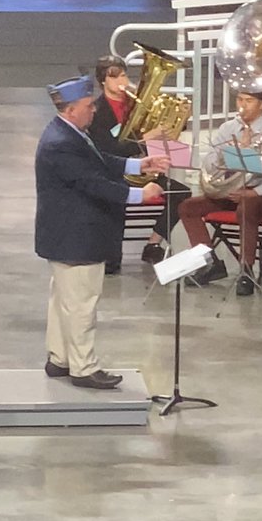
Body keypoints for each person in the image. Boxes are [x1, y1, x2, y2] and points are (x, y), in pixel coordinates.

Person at [36, 74, 169, 389]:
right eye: (87, 106)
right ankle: (83, 368)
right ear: (70, 110)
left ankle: (60, 359)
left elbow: (99, 160)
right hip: (77, 237)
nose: (93, 111)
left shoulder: (68, 133)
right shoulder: (61, 144)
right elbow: (92, 183)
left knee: (63, 300)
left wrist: (139, 165)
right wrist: (140, 195)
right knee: (81, 303)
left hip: (65, 235)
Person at [178, 90, 262, 295]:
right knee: (188, 207)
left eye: (249, 101)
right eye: (240, 99)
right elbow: (210, 165)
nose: (243, 105)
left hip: (261, 196)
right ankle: (209, 262)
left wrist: (254, 192)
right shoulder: (228, 128)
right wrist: (223, 151)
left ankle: (246, 271)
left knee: (245, 208)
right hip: (231, 191)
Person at [86, 55, 188, 272]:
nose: (121, 81)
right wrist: (145, 139)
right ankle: (112, 256)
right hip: (114, 172)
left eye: (123, 75)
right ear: (103, 81)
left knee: (181, 193)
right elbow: (108, 150)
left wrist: (175, 121)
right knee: (116, 195)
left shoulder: (136, 103)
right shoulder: (96, 111)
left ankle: (153, 243)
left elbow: (161, 129)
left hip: (144, 169)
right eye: (115, 77)